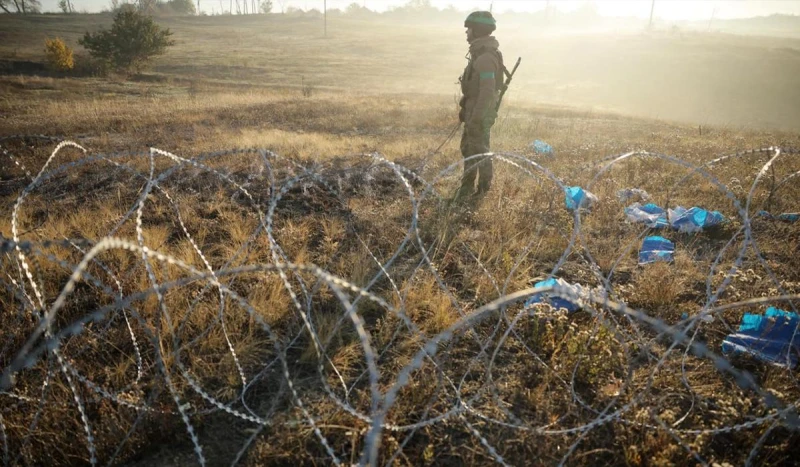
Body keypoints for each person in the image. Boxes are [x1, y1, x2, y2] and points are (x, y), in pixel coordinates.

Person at [456, 10, 505, 202]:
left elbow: (487, 92)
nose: (467, 33)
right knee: (469, 149)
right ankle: (466, 188)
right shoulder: (479, 54)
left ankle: (482, 190)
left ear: (478, 31)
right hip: (474, 112)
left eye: (469, 29)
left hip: (479, 115)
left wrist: (476, 118)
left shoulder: (485, 58)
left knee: (480, 150)